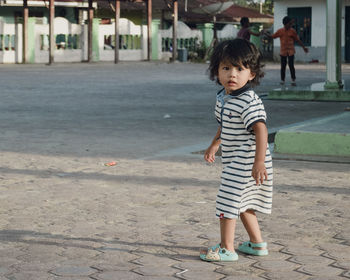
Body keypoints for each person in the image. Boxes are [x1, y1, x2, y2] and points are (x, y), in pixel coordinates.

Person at [199, 38, 273, 262]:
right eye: (226, 68)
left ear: (251, 74)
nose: (232, 74)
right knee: (242, 204)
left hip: (248, 161)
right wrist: (215, 144)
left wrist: (258, 162)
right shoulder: (223, 98)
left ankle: (227, 248)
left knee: (226, 202)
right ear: (216, 72)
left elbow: (261, 130)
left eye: (240, 69)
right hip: (236, 161)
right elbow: (225, 124)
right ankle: (257, 244)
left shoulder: (248, 101)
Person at [268, 16, 308, 86]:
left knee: (291, 65)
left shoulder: (292, 31)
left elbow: (298, 40)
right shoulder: (280, 31)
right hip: (283, 51)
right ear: (285, 24)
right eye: (289, 24)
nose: (290, 25)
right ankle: (282, 80)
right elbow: (273, 36)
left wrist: (304, 47)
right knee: (283, 66)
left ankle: (293, 80)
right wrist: (265, 34)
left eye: (290, 24)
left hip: (291, 51)